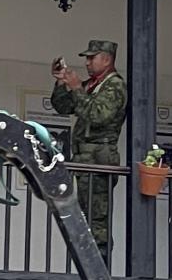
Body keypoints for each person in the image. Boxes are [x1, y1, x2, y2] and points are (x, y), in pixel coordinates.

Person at [50, 40, 127, 257]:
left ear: (107, 59)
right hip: (84, 160)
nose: (87, 62)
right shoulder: (93, 84)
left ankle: (101, 274)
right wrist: (61, 82)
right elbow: (63, 106)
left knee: (97, 221)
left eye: (92, 57)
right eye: (86, 58)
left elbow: (98, 116)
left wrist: (76, 87)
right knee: (82, 220)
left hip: (99, 160)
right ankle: (88, 271)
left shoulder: (115, 86)